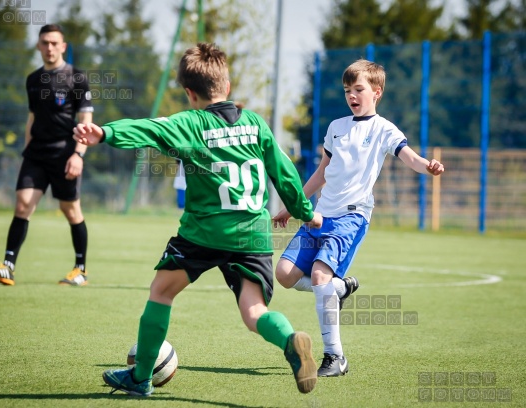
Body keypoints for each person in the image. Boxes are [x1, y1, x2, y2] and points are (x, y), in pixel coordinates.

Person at [73, 42, 323, 397]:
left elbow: (147, 129)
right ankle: (289, 341)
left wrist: (104, 133)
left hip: (204, 233)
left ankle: (140, 377)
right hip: (252, 234)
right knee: (254, 312)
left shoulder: (189, 123)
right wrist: (305, 212)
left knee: (161, 291)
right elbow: (283, 173)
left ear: (189, 93)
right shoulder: (255, 123)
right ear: (228, 86)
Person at [273, 59, 445, 378]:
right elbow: (323, 172)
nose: (352, 95)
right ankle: (337, 290)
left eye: (359, 89)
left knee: (321, 276)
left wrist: (428, 166)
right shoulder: (336, 127)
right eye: (347, 90)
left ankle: (335, 357)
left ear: (376, 92)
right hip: (320, 215)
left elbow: (408, 156)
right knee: (283, 274)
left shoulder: (384, 129)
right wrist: (294, 204)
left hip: (352, 217)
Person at [0, 24, 93, 286]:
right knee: (22, 204)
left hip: (65, 153)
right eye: (45, 42)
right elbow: (31, 119)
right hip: (35, 155)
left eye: (54, 43)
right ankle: (8, 266)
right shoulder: (32, 79)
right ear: (38, 46)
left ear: (63, 47)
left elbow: (86, 120)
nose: (49, 47)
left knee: (70, 210)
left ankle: (80, 270)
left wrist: (78, 154)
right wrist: (27, 150)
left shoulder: (76, 78)